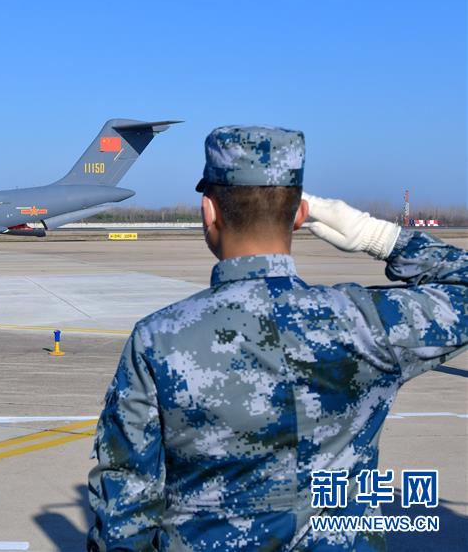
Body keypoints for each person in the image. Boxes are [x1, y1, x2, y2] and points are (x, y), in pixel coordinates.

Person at [87, 126, 467, 550]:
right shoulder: (366, 324)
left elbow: (125, 514)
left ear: (208, 211)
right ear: (301, 215)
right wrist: (378, 238)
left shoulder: (159, 340)